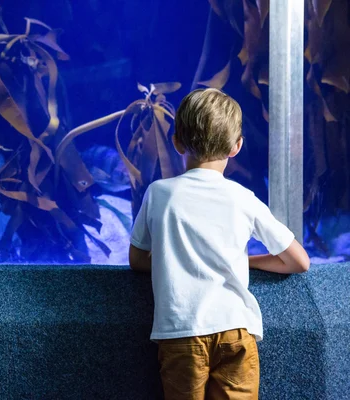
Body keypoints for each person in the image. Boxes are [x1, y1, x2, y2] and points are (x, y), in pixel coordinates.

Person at [129, 88, 310, 400]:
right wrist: (245, 261)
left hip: (180, 333)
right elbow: (299, 262)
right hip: (235, 329)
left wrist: (172, 257)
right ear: (236, 146)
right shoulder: (243, 199)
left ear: (176, 142)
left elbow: (138, 259)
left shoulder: (159, 193)